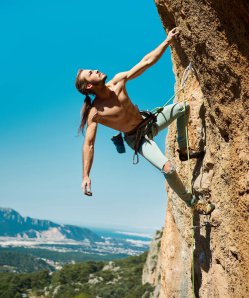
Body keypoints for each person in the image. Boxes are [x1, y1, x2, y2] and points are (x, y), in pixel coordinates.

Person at [75, 28, 215, 215]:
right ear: (89, 85)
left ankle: (183, 150)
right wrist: (86, 175)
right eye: (91, 72)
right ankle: (193, 203)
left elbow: (145, 62)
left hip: (149, 121)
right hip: (137, 139)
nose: (96, 70)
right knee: (169, 169)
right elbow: (89, 144)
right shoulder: (96, 113)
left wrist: (167, 41)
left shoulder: (118, 81)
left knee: (182, 108)